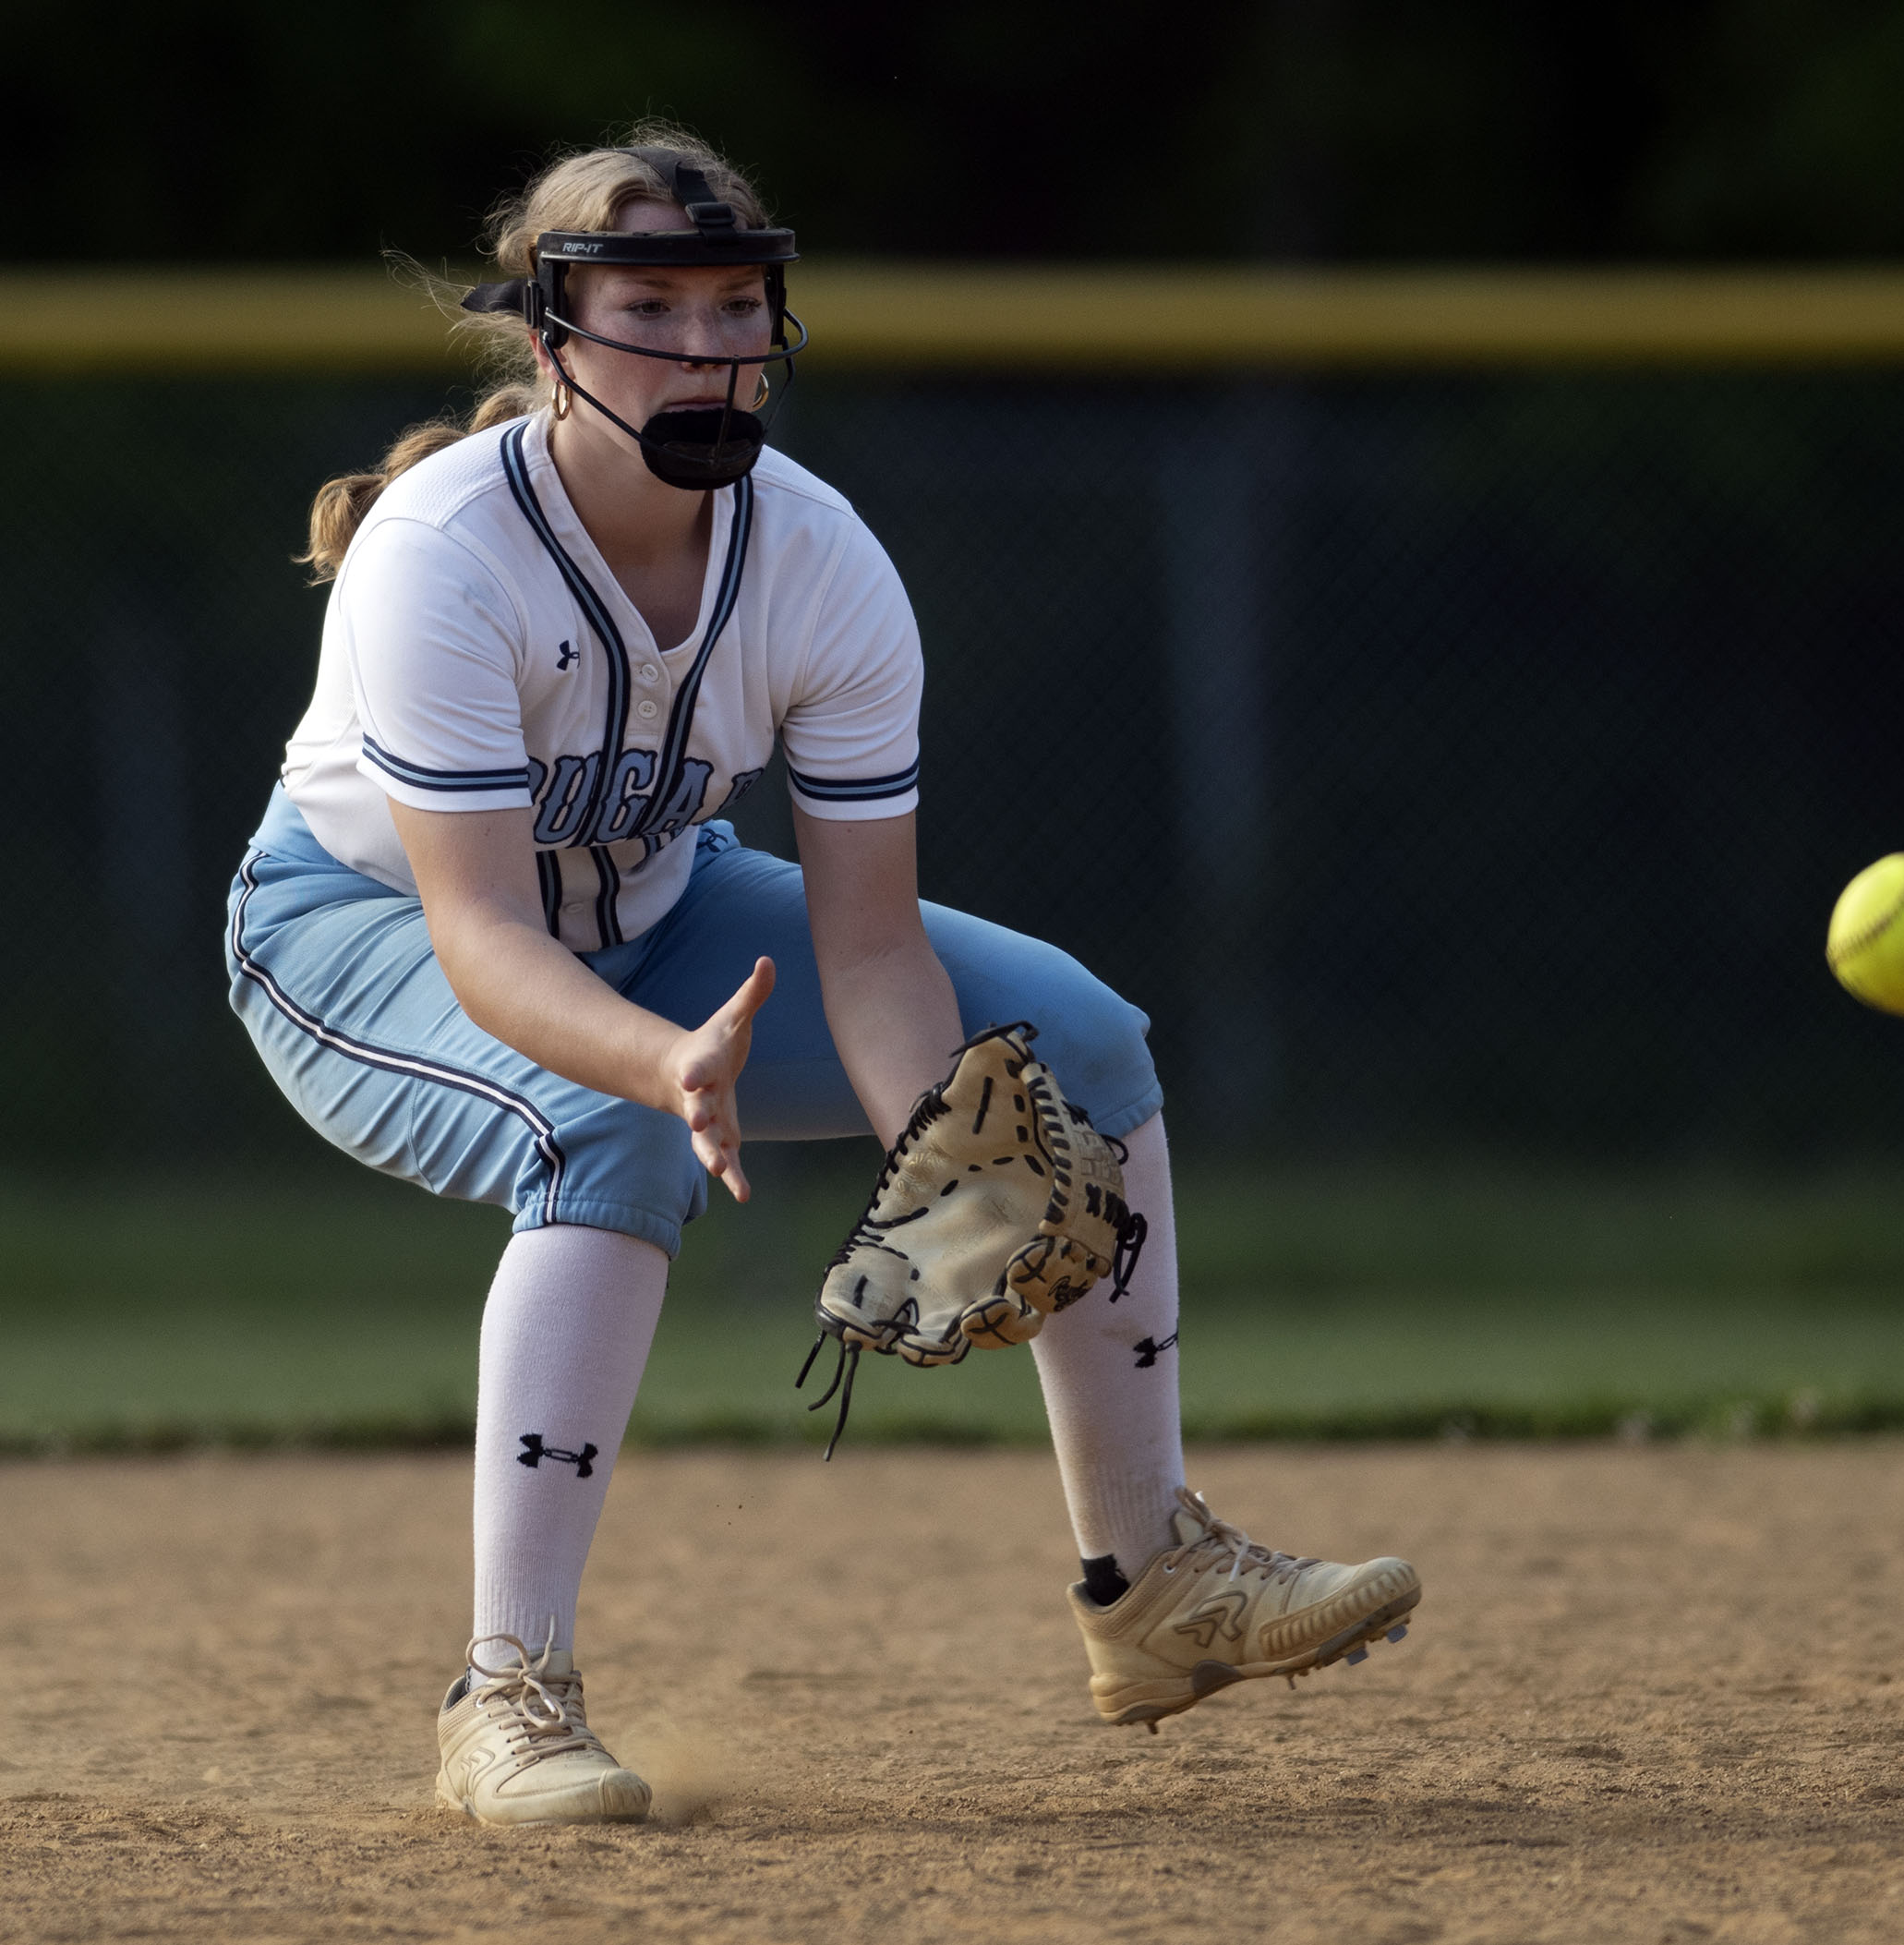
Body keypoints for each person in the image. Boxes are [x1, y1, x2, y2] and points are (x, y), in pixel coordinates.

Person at [225, 127, 1421, 1828]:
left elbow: (867, 942)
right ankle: (507, 1689)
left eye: (735, 305)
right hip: (356, 934)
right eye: (649, 304)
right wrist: (656, 1061)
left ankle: (1152, 1582)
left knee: (1075, 1042)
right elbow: (483, 931)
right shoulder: (445, 550)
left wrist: (956, 1161)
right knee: (605, 1128)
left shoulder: (817, 555)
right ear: (551, 331)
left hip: (665, 904)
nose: (704, 345)